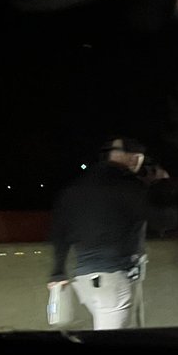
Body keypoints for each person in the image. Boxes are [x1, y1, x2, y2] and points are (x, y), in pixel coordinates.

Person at [49, 136, 151, 330]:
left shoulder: (76, 187)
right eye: (137, 158)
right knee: (111, 340)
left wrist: (58, 271)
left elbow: (60, 232)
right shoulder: (128, 186)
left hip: (84, 277)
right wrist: (161, 186)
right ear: (126, 157)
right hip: (112, 276)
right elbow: (150, 218)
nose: (138, 164)